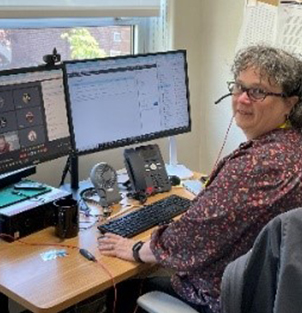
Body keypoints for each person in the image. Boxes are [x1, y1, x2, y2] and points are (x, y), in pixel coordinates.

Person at [98, 45, 302, 313]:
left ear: (290, 103)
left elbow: (189, 240)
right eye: (239, 87)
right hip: (263, 292)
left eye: (258, 92)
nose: (241, 99)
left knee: (123, 286)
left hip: (218, 298)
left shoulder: (257, 166)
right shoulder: (292, 146)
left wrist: (135, 248)